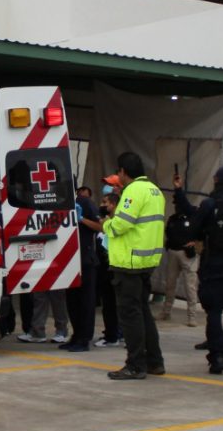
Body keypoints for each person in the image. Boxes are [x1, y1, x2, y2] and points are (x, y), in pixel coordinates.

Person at [174, 166, 223, 374]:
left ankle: (216, 356)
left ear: (217, 180)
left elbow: (193, 228)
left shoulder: (210, 204)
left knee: (214, 311)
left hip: (215, 265)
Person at [102, 152, 166, 379]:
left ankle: (135, 364)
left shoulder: (133, 191)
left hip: (129, 262)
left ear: (123, 171)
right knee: (143, 312)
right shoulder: (155, 190)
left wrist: (106, 225)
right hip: (146, 261)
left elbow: (121, 224)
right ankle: (154, 361)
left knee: (130, 315)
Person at [61, 189, 102, 351]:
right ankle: (76, 336)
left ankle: (84, 339)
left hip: (85, 259)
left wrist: (82, 219)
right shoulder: (59, 204)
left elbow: (101, 226)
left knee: (86, 302)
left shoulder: (84, 203)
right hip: (68, 261)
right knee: (72, 302)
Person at [159, 208, 199, 328]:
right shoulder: (173, 218)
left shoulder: (194, 216)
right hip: (173, 251)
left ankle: (192, 316)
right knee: (170, 284)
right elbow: (168, 232)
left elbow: (202, 230)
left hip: (188, 254)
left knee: (190, 286)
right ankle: (166, 312)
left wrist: (196, 242)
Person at [93, 191, 122, 347]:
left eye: (105, 203)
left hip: (111, 267)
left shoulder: (116, 223)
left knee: (111, 303)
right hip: (104, 268)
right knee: (109, 303)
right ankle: (115, 332)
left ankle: (113, 336)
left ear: (114, 205)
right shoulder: (105, 221)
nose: (102, 205)